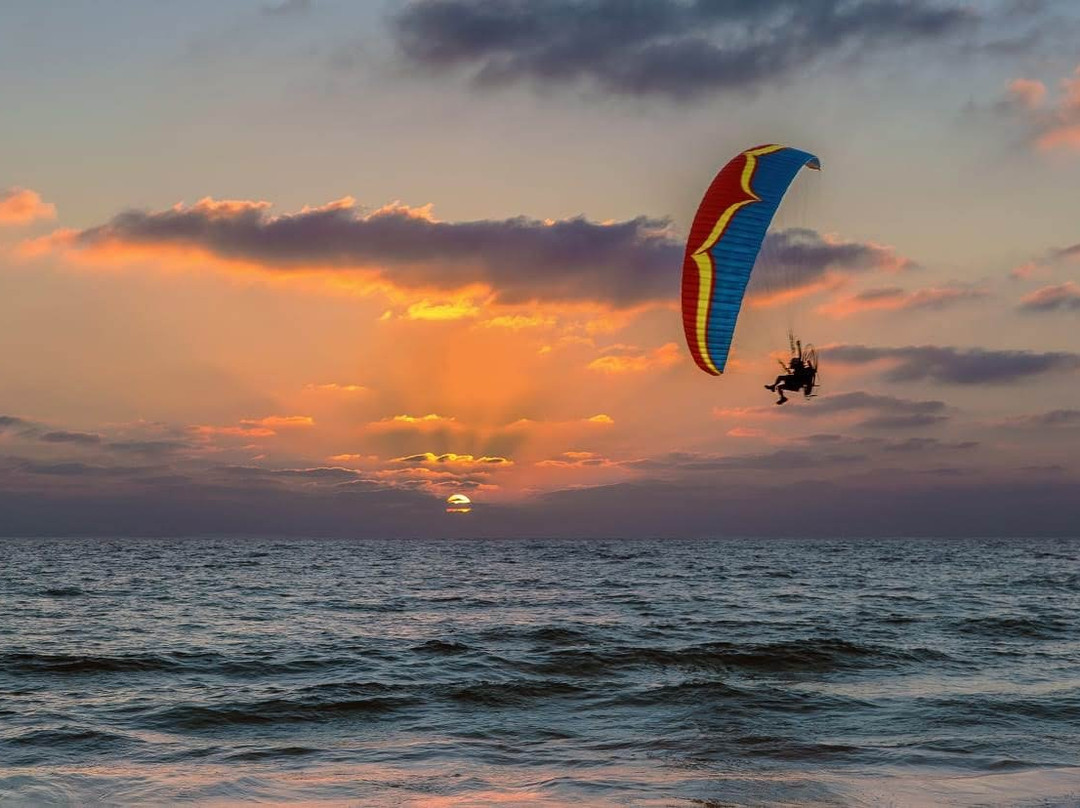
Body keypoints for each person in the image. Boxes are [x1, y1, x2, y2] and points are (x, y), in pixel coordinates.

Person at [765, 339, 817, 405]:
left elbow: (800, 356)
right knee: (779, 386)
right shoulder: (799, 369)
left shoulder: (802, 369)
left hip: (795, 383)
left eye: (792, 364)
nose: (791, 366)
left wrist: (798, 346)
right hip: (793, 382)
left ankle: (774, 387)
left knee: (780, 378)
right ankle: (782, 397)